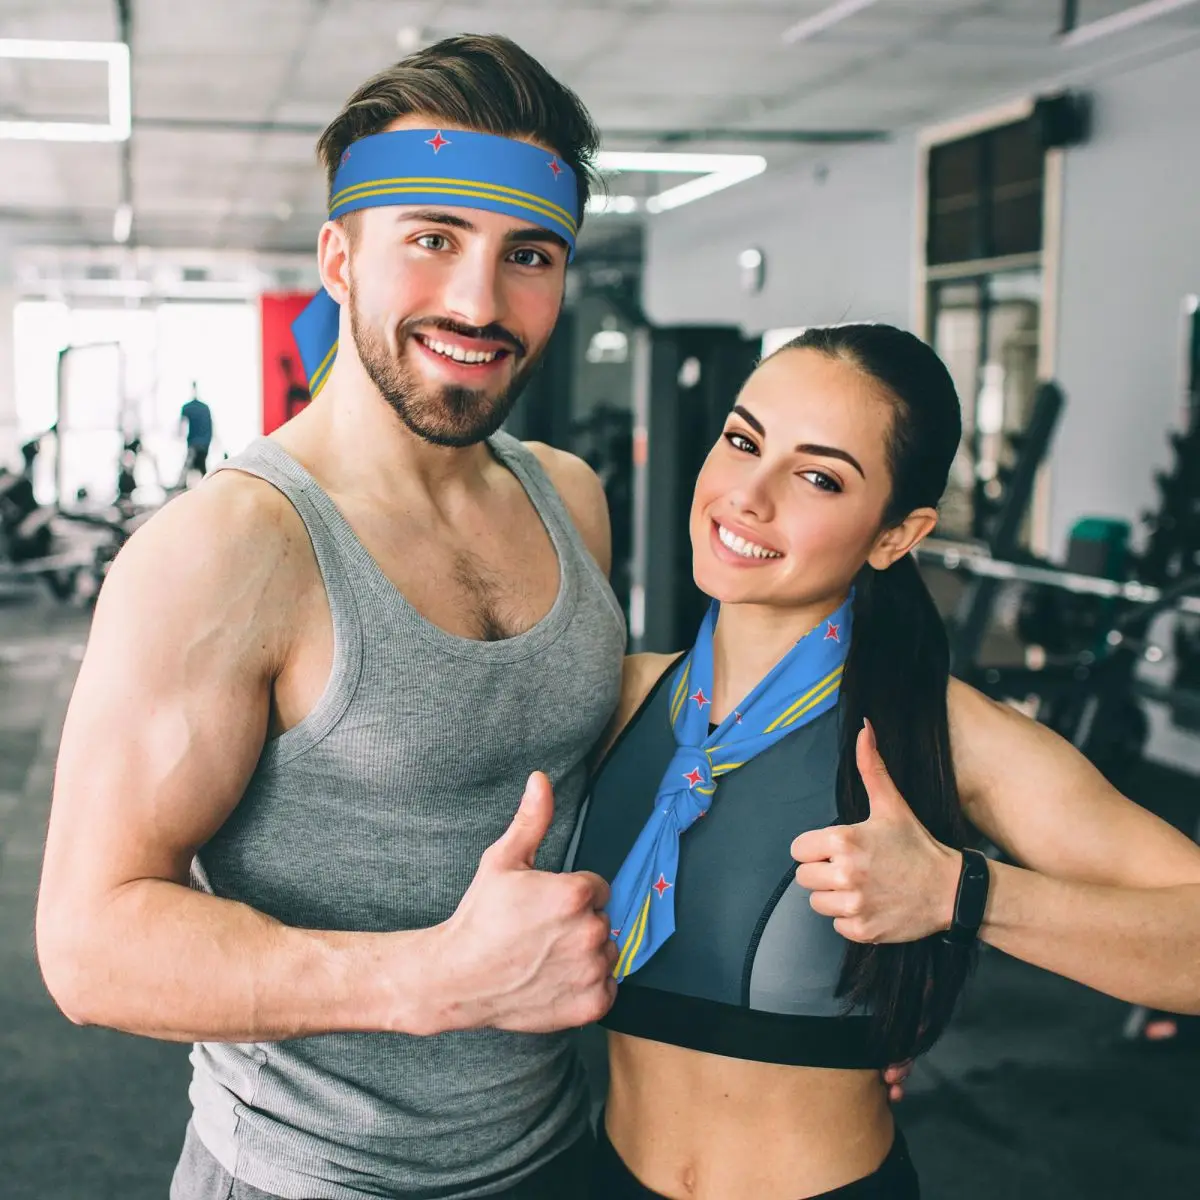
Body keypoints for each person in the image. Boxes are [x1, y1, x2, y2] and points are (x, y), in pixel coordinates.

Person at [36, 35, 628, 1200]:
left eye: (529, 255)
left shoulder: (570, 498)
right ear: (339, 258)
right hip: (312, 1179)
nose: (479, 300)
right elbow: (89, 944)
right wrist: (435, 981)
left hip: (561, 1149)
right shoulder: (228, 549)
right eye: (432, 240)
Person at [570, 323, 1200, 1199]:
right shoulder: (622, 700)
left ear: (896, 535)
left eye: (819, 476)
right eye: (744, 441)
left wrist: (961, 893)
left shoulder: (941, 732)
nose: (748, 496)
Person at [179, 382, 214, 482]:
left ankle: (182, 488)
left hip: (194, 443)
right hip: (204, 442)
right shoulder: (204, 408)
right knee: (202, 468)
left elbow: (182, 426)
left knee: (189, 469)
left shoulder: (187, 407)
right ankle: (206, 487)